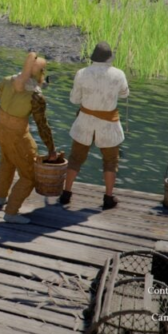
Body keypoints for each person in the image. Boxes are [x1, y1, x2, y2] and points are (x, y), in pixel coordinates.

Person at [0, 51, 56, 224]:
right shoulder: (36, 97)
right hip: (18, 137)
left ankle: (0, 198)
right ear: (39, 73)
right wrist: (51, 149)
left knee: (7, 162)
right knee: (29, 175)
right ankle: (11, 212)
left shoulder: (7, 81)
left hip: (2, 131)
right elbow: (42, 126)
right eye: (43, 70)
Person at [63, 41, 129, 210]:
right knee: (111, 162)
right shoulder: (119, 74)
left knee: (75, 159)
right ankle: (108, 197)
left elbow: (74, 100)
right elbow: (124, 94)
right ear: (109, 58)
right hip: (109, 126)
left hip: (84, 122)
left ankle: (66, 193)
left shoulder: (81, 73)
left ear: (94, 57)